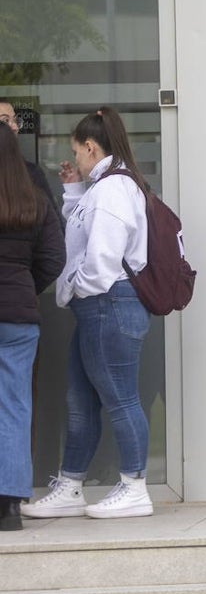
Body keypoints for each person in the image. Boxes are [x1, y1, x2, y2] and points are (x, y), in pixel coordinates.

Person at [22, 107, 155, 519]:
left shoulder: (114, 189)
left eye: (77, 151)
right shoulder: (101, 187)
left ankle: (134, 486)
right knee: (79, 400)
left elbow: (101, 258)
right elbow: (84, 235)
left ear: (92, 147)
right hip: (99, 306)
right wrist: (74, 192)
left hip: (108, 303)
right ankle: (72, 485)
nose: (75, 158)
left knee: (120, 399)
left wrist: (74, 289)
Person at [0, 128, 66, 531]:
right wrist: (27, 287)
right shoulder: (34, 199)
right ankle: (9, 506)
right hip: (19, 318)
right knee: (14, 407)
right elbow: (54, 259)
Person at [0, 100, 55, 213]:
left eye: (15, 120)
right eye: (6, 121)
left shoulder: (31, 172)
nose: (15, 127)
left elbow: (53, 222)